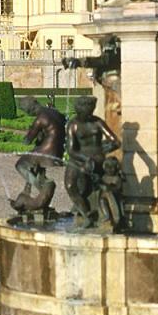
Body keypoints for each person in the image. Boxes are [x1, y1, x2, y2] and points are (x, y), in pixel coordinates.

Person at [64, 95, 121, 229]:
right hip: (78, 158)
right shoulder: (73, 124)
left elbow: (115, 141)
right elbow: (71, 150)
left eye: (91, 110)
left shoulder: (97, 122)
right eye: (86, 111)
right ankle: (86, 213)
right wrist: (85, 159)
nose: (89, 113)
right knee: (70, 185)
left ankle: (87, 213)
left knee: (85, 175)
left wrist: (104, 149)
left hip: (96, 158)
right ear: (79, 110)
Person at [11, 98, 65, 216]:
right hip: (58, 149)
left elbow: (27, 140)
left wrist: (29, 132)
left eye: (27, 111)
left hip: (47, 151)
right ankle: (41, 190)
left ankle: (41, 188)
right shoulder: (54, 111)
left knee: (20, 165)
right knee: (35, 165)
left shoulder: (40, 118)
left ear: (30, 109)